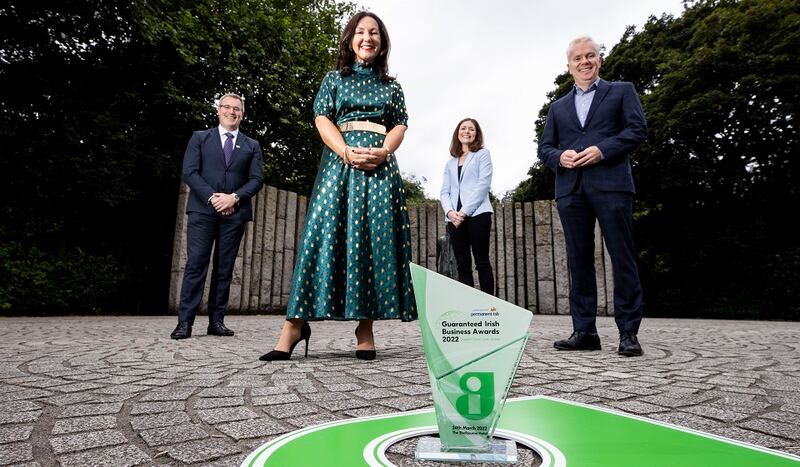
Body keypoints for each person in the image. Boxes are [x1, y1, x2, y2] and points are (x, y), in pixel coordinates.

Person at [259, 11, 416, 361]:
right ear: (349, 40)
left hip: (379, 168)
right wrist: (345, 151)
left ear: (382, 41)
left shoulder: (392, 86)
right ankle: (294, 327)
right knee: (321, 235)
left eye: (374, 33)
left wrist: (384, 151)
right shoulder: (333, 80)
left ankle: (365, 328)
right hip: (339, 164)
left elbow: (400, 125)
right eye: (360, 32)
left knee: (371, 240)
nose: (367, 38)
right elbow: (321, 118)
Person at [538, 36, 647, 357]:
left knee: (622, 257)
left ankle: (628, 332)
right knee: (578, 260)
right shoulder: (557, 108)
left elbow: (637, 129)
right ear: (569, 65)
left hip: (612, 184)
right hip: (571, 191)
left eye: (590, 56)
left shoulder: (622, 91)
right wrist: (560, 157)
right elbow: (544, 148)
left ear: (599, 59)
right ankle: (584, 331)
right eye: (578, 58)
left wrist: (603, 150)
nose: (584, 62)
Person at [171, 93, 265, 339]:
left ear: (242, 114)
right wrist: (214, 198)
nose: (231, 112)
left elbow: (256, 179)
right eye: (227, 107)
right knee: (196, 265)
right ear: (218, 110)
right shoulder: (200, 138)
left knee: (224, 269)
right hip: (203, 211)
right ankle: (185, 323)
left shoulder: (251, 145)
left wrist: (234, 198)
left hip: (234, 214)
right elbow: (189, 172)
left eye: (237, 109)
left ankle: (216, 321)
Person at [439, 118, 495, 295]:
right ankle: (469, 307)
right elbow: (444, 191)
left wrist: (463, 212)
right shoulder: (450, 162)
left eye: (471, 129)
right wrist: (450, 212)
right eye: (463, 128)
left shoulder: (483, 155)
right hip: (454, 219)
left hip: (478, 215)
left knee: (482, 261)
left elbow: (483, 185)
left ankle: (488, 307)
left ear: (476, 134)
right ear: (458, 133)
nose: (467, 131)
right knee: (462, 265)